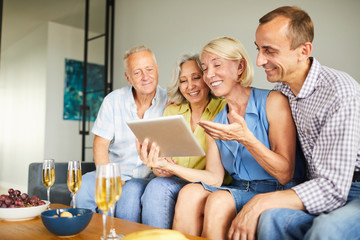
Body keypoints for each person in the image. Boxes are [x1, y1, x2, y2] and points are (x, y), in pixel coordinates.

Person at [228, 6, 360, 240]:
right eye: (258, 49)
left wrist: (260, 200)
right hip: (313, 186)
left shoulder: (340, 92)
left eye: (269, 51)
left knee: (327, 230)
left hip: (352, 189)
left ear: (304, 50)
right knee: (271, 217)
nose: (259, 61)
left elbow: (333, 188)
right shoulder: (281, 92)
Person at [171, 37, 305, 240]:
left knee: (219, 201)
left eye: (217, 65)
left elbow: (285, 173)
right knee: (189, 193)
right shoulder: (217, 119)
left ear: (240, 67)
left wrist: (246, 139)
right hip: (238, 189)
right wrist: (168, 165)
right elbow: (214, 177)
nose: (209, 75)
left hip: (277, 190)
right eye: (205, 68)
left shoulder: (272, 102)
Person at [75, 45, 168, 223]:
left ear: (157, 70)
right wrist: (108, 177)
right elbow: (100, 143)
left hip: (150, 176)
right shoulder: (113, 100)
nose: (145, 77)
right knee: (84, 186)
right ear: (128, 77)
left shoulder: (171, 101)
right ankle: (85, 232)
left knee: (130, 194)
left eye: (149, 69)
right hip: (116, 171)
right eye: (137, 72)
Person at [138, 53, 228, 229]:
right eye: (183, 81)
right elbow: (163, 164)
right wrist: (158, 167)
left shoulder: (223, 109)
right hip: (176, 179)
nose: (190, 86)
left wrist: (168, 168)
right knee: (156, 184)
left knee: (158, 188)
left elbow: (216, 175)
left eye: (196, 78)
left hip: (208, 182)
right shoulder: (172, 112)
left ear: (207, 79)